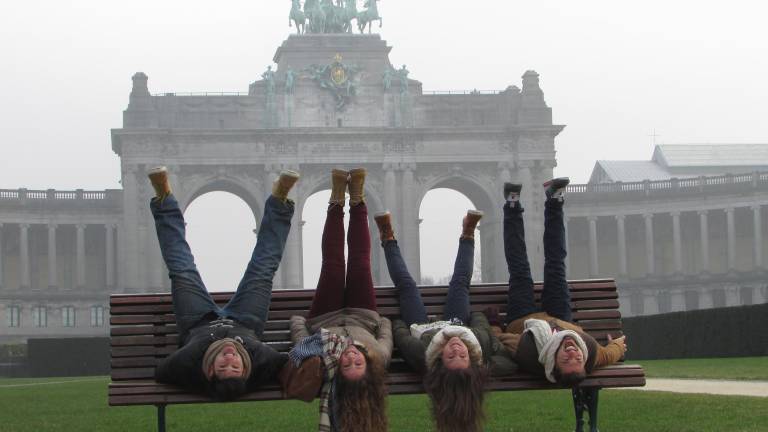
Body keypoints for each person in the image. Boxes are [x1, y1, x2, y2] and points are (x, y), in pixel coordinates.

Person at [148, 166, 299, 400]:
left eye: (222, 367)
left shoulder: (191, 362)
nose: (230, 359)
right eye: (236, 367)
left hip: (197, 320)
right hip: (246, 319)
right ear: (246, 369)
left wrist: (198, 369)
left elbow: (163, 371)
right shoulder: (262, 359)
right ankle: (279, 202)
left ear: (209, 370)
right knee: (263, 267)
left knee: (181, 269)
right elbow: (287, 361)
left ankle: (164, 200)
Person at [374, 209, 512, 432]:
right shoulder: (479, 347)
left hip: (422, 327)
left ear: (440, 362)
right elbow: (483, 327)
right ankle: (468, 232)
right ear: (471, 359)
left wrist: (400, 321)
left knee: (407, 287)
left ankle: (388, 238)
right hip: (458, 323)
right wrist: (474, 318)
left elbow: (401, 336)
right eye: (462, 355)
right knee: (460, 283)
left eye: (451, 356)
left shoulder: (422, 355)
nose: (456, 348)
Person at [488, 178, 628, 386]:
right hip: (561, 315)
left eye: (566, 359)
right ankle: (555, 201)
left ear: (552, 363)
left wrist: (494, 324)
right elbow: (609, 354)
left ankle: (512, 206)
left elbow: (500, 339)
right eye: (577, 358)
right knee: (556, 264)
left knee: (519, 269)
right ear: (584, 359)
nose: (572, 352)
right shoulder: (590, 351)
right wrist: (618, 346)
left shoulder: (528, 353)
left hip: (523, 319)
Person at [287, 168, 390, 432]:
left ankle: (335, 201)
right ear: (368, 368)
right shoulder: (378, 357)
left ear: (338, 373)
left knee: (332, 265)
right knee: (360, 263)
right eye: (358, 363)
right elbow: (386, 335)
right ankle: (357, 199)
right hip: (364, 314)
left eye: (347, 365)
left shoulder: (322, 362)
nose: (351, 357)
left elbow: (299, 343)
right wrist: (381, 322)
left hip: (325, 316)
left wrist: (301, 322)